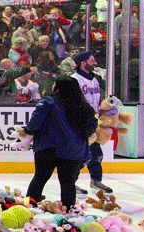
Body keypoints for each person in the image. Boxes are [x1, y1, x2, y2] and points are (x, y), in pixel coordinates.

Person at [22, 77, 98, 209]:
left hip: (48, 147)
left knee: (40, 178)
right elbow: (92, 127)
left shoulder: (49, 101)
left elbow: (36, 121)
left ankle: (28, 208)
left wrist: (27, 130)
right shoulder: (84, 106)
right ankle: (68, 211)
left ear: (57, 87)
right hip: (74, 150)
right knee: (68, 182)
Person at [71, 52, 112, 194]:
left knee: (96, 154)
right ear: (83, 63)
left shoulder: (94, 80)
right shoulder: (74, 80)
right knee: (82, 156)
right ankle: (70, 183)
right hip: (80, 124)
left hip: (93, 123)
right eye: (92, 60)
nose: (95, 63)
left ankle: (96, 180)